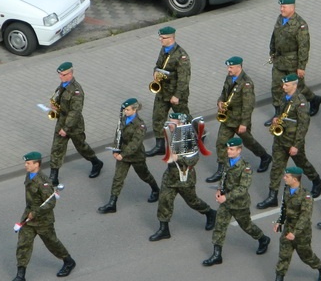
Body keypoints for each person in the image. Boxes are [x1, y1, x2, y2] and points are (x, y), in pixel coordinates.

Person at [5, 152, 76, 281]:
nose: (26, 165)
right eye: (26, 163)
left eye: (28, 163)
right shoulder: (29, 175)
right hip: (28, 218)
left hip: (43, 220)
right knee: (23, 245)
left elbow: (50, 202)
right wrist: (30, 213)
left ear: (36, 164)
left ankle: (68, 261)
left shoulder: (44, 182)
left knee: (52, 243)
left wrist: (35, 212)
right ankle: (20, 277)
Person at [256, 74, 321, 210]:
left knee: (302, 163)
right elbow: (283, 113)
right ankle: (272, 196)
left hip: (293, 140)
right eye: (283, 84)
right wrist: (276, 118)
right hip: (280, 138)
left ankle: (317, 182)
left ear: (294, 85)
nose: (283, 87)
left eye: (286, 85)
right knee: (276, 167)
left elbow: (303, 125)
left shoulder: (300, 102)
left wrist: (296, 145)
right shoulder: (284, 97)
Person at [203, 136, 271, 266]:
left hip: (239, 204)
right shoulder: (228, 162)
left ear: (239, 150)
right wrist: (219, 189)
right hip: (226, 202)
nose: (229, 151)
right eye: (228, 149)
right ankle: (217, 255)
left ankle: (263, 239)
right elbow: (224, 177)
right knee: (220, 226)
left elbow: (243, 188)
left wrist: (226, 197)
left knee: (247, 226)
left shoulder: (245, 168)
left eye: (232, 149)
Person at [263, 167, 321, 281]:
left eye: (286, 176)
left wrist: (295, 233)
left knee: (306, 256)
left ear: (294, 179)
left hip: (301, 233)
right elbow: (284, 208)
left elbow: (305, 217)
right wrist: (280, 222)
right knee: (284, 256)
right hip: (288, 228)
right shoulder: (287, 190)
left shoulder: (306, 196)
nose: (284, 178)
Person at [149, 113, 216, 241]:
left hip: (184, 176)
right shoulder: (171, 133)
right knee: (164, 200)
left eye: (172, 122)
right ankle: (164, 229)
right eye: (169, 121)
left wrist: (178, 158)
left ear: (180, 123)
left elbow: (194, 159)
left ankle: (210, 213)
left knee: (193, 201)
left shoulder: (188, 137)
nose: (169, 124)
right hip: (170, 175)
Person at [205, 56, 272, 183]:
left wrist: (244, 124)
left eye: (231, 67)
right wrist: (220, 102)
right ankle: (221, 169)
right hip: (228, 118)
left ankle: (265, 157)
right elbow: (224, 93)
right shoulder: (229, 77)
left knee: (249, 142)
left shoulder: (246, 83)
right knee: (221, 143)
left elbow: (248, 105)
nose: (228, 69)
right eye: (228, 67)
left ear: (239, 67)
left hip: (240, 120)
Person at [97, 98, 160, 214]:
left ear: (135, 110)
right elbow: (118, 135)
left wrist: (123, 154)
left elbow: (135, 144)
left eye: (127, 110)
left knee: (144, 175)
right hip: (122, 154)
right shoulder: (123, 119)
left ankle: (156, 190)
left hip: (136, 156)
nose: (125, 112)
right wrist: (115, 150)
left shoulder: (140, 125)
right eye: (124, 110)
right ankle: (112, 203)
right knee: (118, 178)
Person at [47, 62, 103, 186]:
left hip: (74, 125)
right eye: (60, 74)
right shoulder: (62, 85)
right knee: (57, 147)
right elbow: (60, 99)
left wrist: (66, 128)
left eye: (63, 74)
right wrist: (55, 105)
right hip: (61, 122)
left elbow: (75, 112)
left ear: (71, 74)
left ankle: (96, 162)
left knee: (81, 147)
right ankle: (54, 176)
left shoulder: (77, 91)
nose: (60, 77)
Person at [266, 0, 320, 123]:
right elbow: (274, 36)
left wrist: (301, 66)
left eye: (284, 7)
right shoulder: (280, 19)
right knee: (276, 87)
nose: (281, 9)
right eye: (281, 7)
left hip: (292, 62)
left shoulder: (300, 25)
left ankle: (314, 99)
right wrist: (272, 51)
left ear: (292, 8)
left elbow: (304, 47)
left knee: (298, 88)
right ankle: (278, 114)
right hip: (279, 60)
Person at [146, 27, 191, 156]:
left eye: (163, 38)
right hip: (163, 91)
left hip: (176, 93)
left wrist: (177, 96)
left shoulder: (181, 56)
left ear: (171, 38)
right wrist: (155, 71)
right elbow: (159, 65)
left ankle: (195, 137)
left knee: (183, 118)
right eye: (160, 37)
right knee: (158, 117)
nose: (160, 39)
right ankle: (160, 146)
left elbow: (184, 79)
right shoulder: (164, 50)